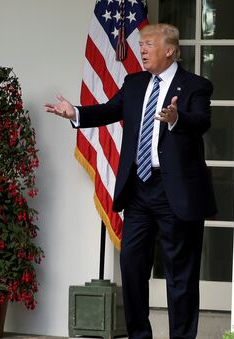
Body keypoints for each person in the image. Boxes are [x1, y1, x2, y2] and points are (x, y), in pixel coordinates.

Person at [45, 23, 216, 339]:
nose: (143, 49)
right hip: (139, 189)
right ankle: (139, 335)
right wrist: (75, 114)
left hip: (175, 190)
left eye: (149, 43)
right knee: (132, 266)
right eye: (141, 44)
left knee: (180, 275)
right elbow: (109, 111)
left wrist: (177, 119)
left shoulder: (196, 86)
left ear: (170, 49)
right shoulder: (135, 83)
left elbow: (201, 122)